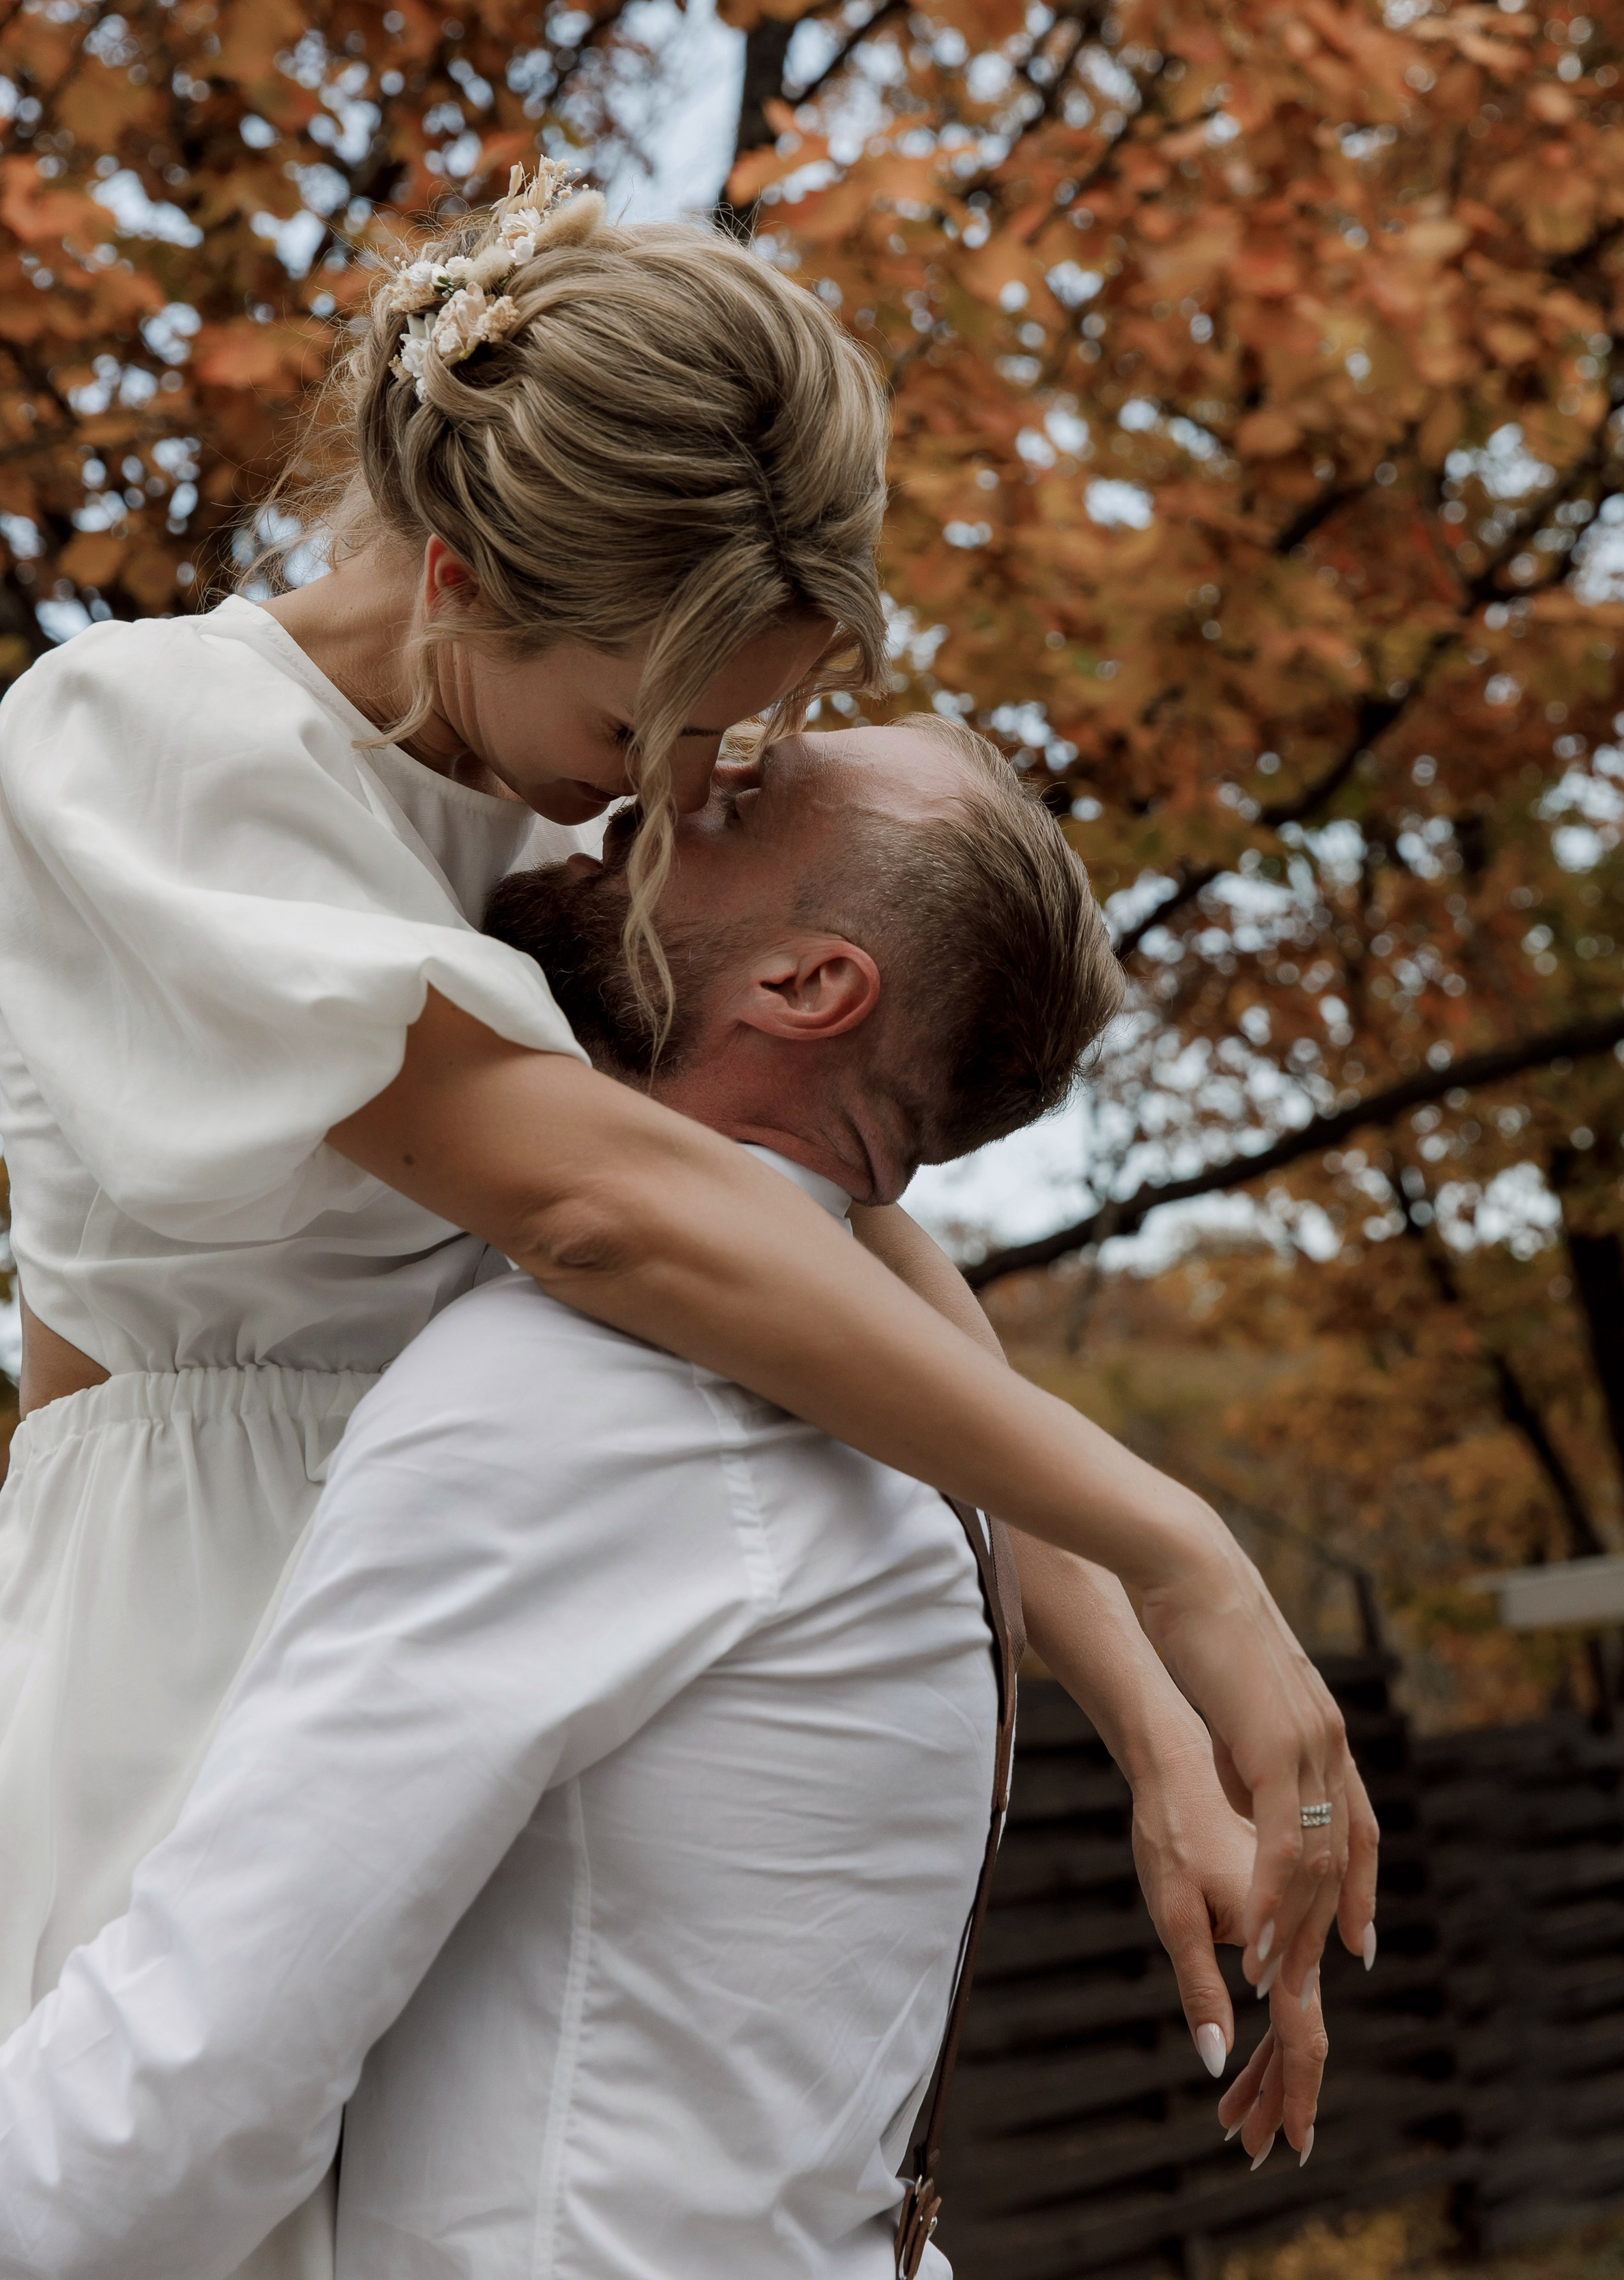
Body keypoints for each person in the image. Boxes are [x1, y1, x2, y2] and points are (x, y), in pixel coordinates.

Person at [0, 171, 1369, 2275]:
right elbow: (600, 1203)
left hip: (469, 1581)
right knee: (161, 2157)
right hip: (207, 1598)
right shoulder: (156, 748)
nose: (670, 784)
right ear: (455, 575)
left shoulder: (517, 787)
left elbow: (810, 1236)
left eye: (737, 736)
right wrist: (1185, 1552)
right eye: (655, 728)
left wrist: (1135, 1681)